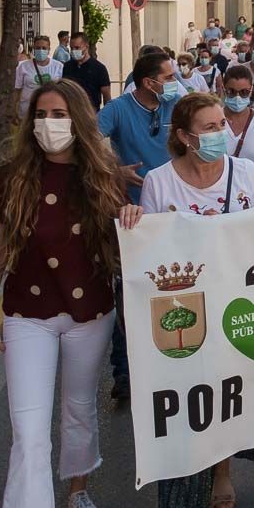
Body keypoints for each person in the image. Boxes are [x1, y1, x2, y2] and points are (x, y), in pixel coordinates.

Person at [0, 80, 123, 508]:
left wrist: (136, 218)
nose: (49, 122)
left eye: (59, 113)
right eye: (41, 113)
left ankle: (79, 492)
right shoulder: (9, 179)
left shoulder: (104, 176)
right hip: (27, 317)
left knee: (79, 412)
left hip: (90, 314)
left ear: (78, 118)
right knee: (28, 434)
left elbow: (136, 236)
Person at [116, 92, 254, 508]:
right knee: (187, 420)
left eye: (222, 123)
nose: (219, 131)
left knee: (231, 400)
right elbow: (151, 255)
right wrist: (134, 225)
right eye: (207, 126)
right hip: (184, 322)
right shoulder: (159, 183)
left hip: (240, 311)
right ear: (183, 135)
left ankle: (223, 468)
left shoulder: (246, 174)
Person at [100, 52, 183, 400]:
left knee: (175, 288)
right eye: (169, 76)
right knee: (131, 292)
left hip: (177, 214)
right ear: (149, 83)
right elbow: (83, 145)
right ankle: (124, 372)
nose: (176, 80)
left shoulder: (178, 105)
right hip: (133, 216)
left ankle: (173, 362)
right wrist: (112, 172)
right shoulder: (118, 109)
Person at [15, 35, 64, 119]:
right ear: (34, 49)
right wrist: (13, 109)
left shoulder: (58, 66)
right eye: (38, 48)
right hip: (27, 111)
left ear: (49, 49)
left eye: (44, 48)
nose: (41, 50)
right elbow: (17, 89)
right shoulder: (23, 66)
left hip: (49, 111)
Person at [62, 32, 111, 111]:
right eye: (72, 48)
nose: (74, 51)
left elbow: (107, 96)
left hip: (91, 113)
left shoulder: (99, 68)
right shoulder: (67, 67)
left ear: (86, 47)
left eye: (77, 48)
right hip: (71, 113)